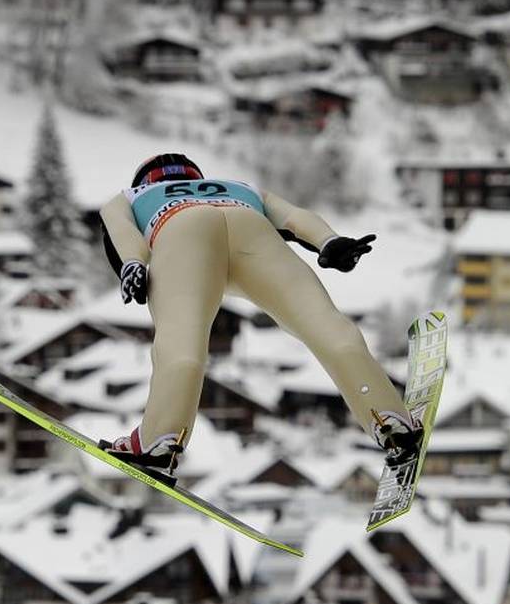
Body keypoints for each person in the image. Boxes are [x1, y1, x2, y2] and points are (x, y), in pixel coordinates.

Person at [97, 153, 419, 475]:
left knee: (182, 342)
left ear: (146, 181)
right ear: (196, 177)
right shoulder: (241, 187)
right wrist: (329, 241)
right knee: (325, 325)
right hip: (250, 225)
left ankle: (159, 440)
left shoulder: (132, 196)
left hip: (180, 230)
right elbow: (294, 216)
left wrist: (133, 263)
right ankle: (390, 419)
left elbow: (120, 228)